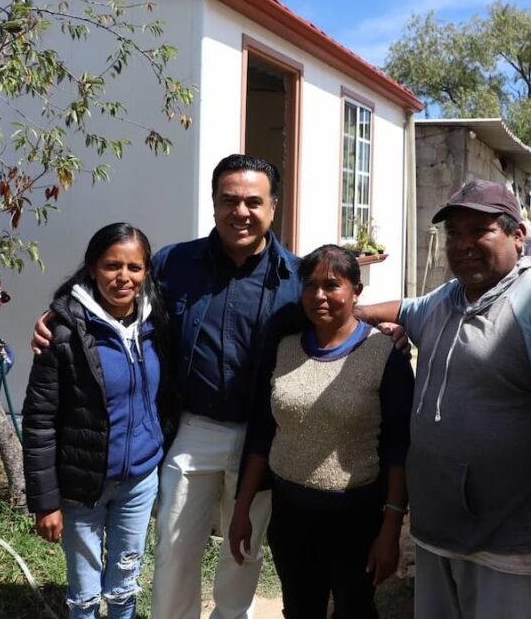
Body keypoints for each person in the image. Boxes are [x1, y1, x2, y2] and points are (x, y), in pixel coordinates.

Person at [32, 154, 304, 619]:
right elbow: (113, 284)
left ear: (273, 208)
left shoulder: (295, 278)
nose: (241, 211)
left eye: (253, 202)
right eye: (229, 200)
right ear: (214, 204)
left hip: (261, 435)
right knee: (175, 545)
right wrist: (58, 316)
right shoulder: (176, 264)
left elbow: (333, 318)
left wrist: (392, 330)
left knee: (245, 548)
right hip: (192, 428)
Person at [356, 180, 531, 619]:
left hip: (510, 543)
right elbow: (403, 310)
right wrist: (349, 319)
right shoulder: (448, 298)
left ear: (518, 236)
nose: (463, 244)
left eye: (480, 229)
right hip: (439, 530)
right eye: (454, 232)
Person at [228, 245, 413, 619]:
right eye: (310, 286)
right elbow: (264, 434)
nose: (319, 296)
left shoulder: (384, 354)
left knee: (354, 609)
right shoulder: (285, 348)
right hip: (291, 515)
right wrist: (242, 508)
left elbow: (399, 449)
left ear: (356, 292)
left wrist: (391, 528)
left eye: (332, 285)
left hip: (356, 518)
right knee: (299, 609)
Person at [22, 222, 175, 619]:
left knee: (125, 585)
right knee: (85, 595)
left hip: (139, 481)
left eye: (134, 268)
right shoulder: (63, 332)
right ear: (92, 267)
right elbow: (38, 420)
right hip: (82, 486)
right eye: (112, 266)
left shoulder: (157, 323)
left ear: (146, 273)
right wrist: (45, 502)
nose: (123, 277)